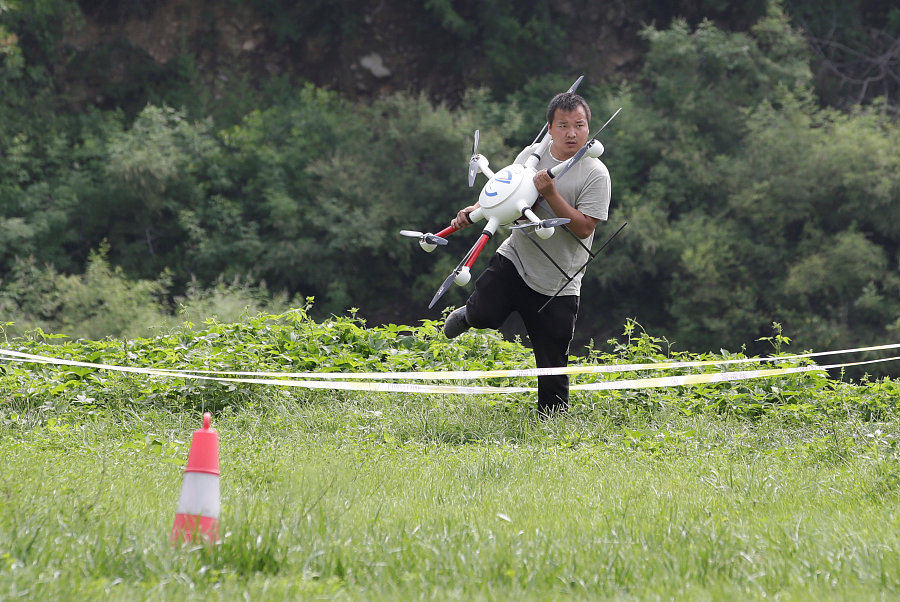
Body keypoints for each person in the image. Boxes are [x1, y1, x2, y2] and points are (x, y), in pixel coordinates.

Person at [442, 91, 611, 415]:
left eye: (580, 125)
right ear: (550, 128)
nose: (572, 133)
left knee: (551, 367)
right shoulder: (534, 154)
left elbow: (585, 228)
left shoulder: (596, 173)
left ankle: (551, 429)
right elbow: (506, 190)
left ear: (589, 128)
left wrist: (550, 193)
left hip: (560, 282)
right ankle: (467, 315)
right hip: (516, 259)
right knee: (484, 315)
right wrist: (475, 209)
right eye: (563, 126)